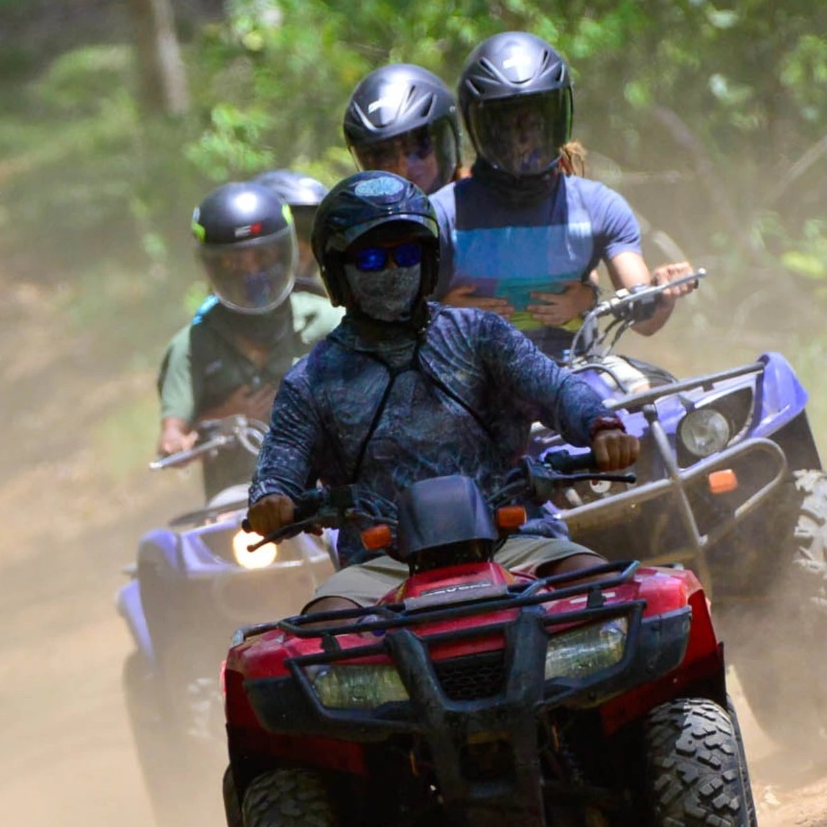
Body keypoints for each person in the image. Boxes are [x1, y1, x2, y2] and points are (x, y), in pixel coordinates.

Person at [245, 171, 639, 612]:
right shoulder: (312, 380)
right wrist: (272, 499)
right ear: (338, 275)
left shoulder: (481, 333)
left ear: (429, 261)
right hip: (380, 567)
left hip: (515, 538)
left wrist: (602, 427)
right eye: (372, 258)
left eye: (407, 254)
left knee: (616, 600)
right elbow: (280, 466)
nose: (394, 270)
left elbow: (558, 389)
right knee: (316, 643)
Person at [434, 32, 697, 361]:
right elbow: (395, 322)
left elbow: (642, 317)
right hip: (471, 388)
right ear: (479, 127)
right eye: (507, 124)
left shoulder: (600, 208)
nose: (522, 140)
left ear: (557, 120)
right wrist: (442, 315)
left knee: (647, 395)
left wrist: (661, 294)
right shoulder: (441, 215)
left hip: (575, 383)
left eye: (534, 122)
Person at [157, 181, 342, 496]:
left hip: (328, 490)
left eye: (263, 257)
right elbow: (171, 439)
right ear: (212, 266)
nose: (252, 273)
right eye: (234, 263)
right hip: (239, 509)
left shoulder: (328, 321)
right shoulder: (191, 345)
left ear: (286, 253)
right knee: (163, 546)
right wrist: (227, 418)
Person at [342, 64, 464, 195]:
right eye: (383, 155)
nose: (403, 166)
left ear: (446, 143)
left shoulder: (481, 205)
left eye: (419, 145)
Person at [252, 169, 330, 296]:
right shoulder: (216, 312)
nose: (303, 247)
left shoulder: (332, 311)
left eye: (311, 233)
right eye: (291, 233)